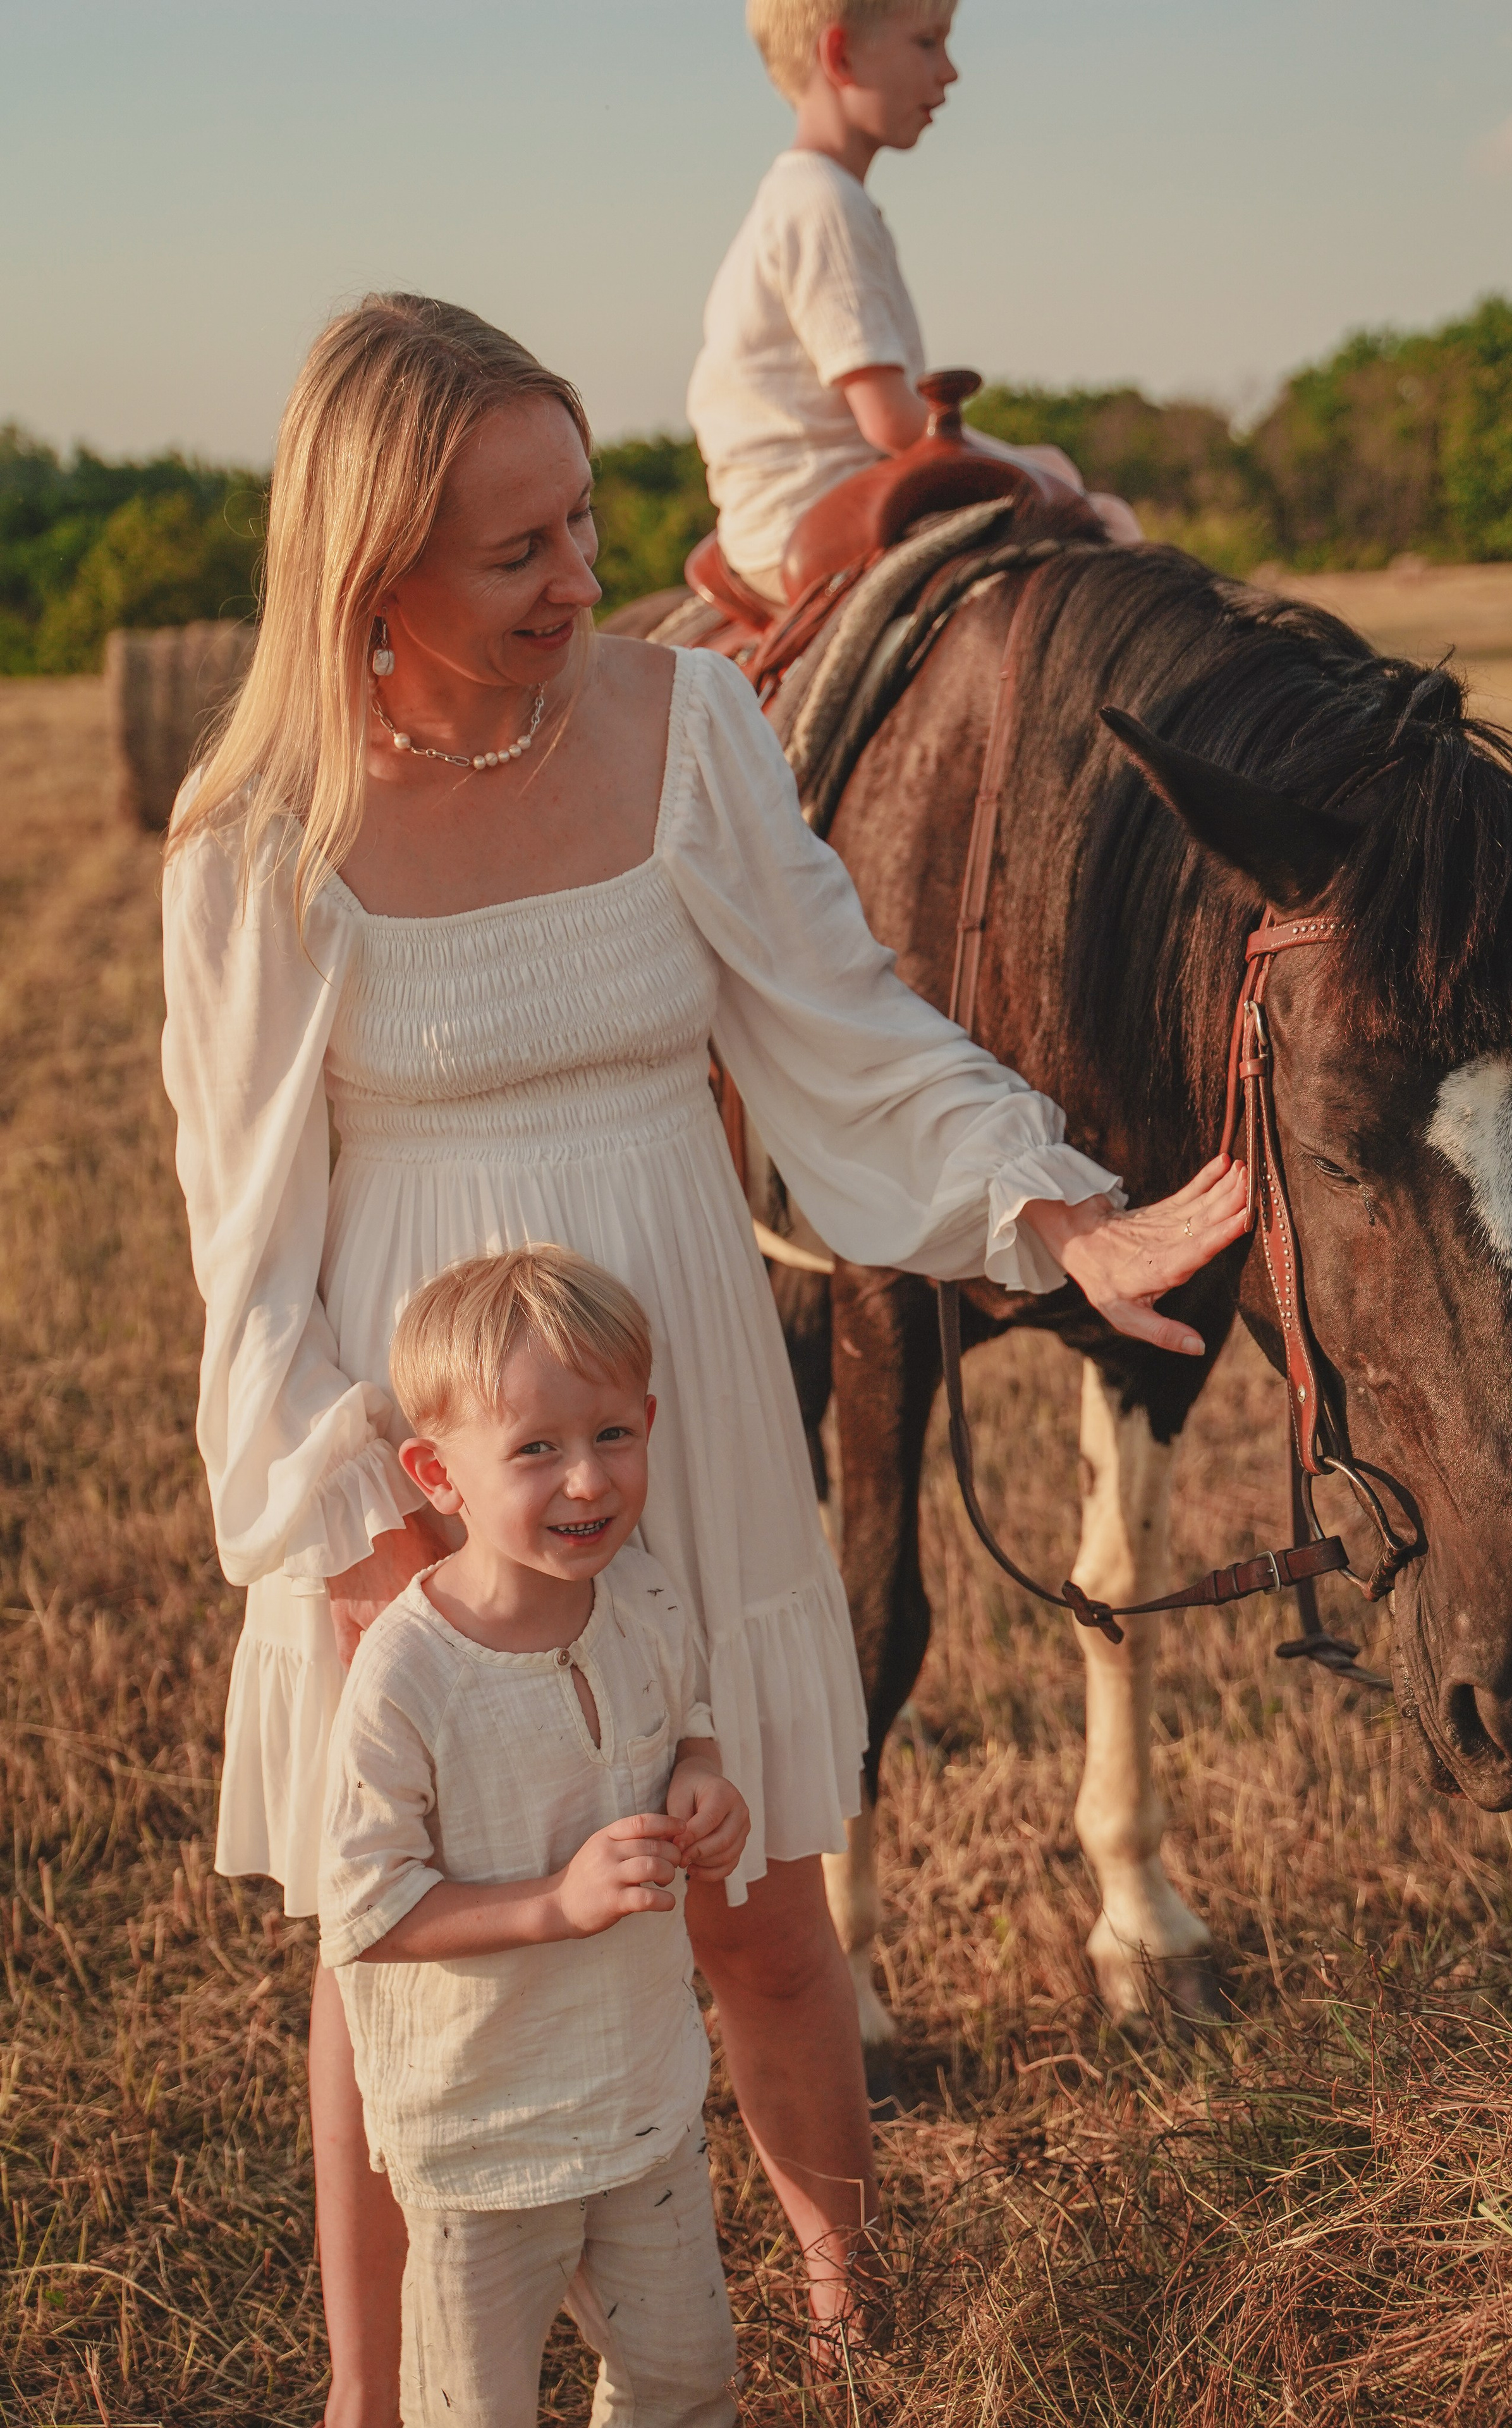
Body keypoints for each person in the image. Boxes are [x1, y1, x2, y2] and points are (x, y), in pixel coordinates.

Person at [161, 291, 1246, 2427]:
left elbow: (843, 1031)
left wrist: (1050, 1208)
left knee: (756, 1901)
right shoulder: (259, 835)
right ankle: (375, 2404)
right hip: (427, 1449)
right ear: (371, 570)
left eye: (584, 520)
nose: (586, 580)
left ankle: (844, 2323)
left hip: (675, 1405)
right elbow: (248, 1250)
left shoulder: (692, 729)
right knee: (399, 1959)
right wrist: (370, 1548)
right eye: (519, 551)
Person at [320, 1245, 745, 2428]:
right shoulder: (409, 1674)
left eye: (611, 1434)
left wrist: (706, 1782)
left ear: (649, 1421)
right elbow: (366, 1909)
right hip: (482, 2137)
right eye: (536, 1450)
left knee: (685, 2380)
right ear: (436, 1475)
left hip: (642, 2105)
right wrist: (557, 1905)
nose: (587, 1480)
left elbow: (689, 1723)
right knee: (474, 2410)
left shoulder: (646, 1601)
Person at [686, 0, 1142, 605]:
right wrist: (1032, 470)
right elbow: (893, 420)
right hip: (812, 514)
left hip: (798, 510)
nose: (949, 71)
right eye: (928, 43)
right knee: (1102, 518)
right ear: (841, 56)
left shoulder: (806, 198)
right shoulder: (825, 205)